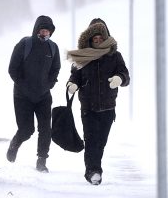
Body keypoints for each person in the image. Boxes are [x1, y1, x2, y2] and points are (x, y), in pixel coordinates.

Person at [66, 18, 130, 185]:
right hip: (88, 107)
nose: (98, 40)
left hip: (108, 108)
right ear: (89, 38)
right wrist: (72, 84)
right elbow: (75, 76)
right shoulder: (82, 56)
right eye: (95, 38)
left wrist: (119, 78)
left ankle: (94, 168)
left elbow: (126, 75)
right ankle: (93, 171)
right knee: (91, 140)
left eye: (101, 38)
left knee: (100, 142)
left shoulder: (115, 56)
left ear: (106, 37)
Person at [7, 15, 61, 173]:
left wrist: (49, 84)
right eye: (42, 30)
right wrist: (23, 85)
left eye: (47, 31)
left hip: (43, 96)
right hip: (22, 96)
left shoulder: (53, 47)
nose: (45, 33)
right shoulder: (24, 44)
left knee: (45, 129)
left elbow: (55, 68)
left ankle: (42, 160)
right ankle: (15, 143)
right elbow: (12, 69)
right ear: (36, 30)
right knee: (26, 129)